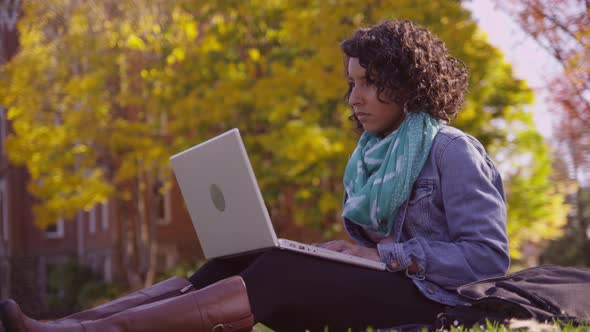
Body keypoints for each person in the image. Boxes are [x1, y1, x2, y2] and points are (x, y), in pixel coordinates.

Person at [0, 19, 509, 332]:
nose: (355, 98)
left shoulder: (451, 150)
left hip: (436, 301)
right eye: (352, 83)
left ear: (407, 83)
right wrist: (350, 253)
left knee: (282, 271)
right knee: (248, 257)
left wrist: (383, 255)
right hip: (386, 285)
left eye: (370, 83)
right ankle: (75, 324)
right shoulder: (373, 155)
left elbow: (487, 258)